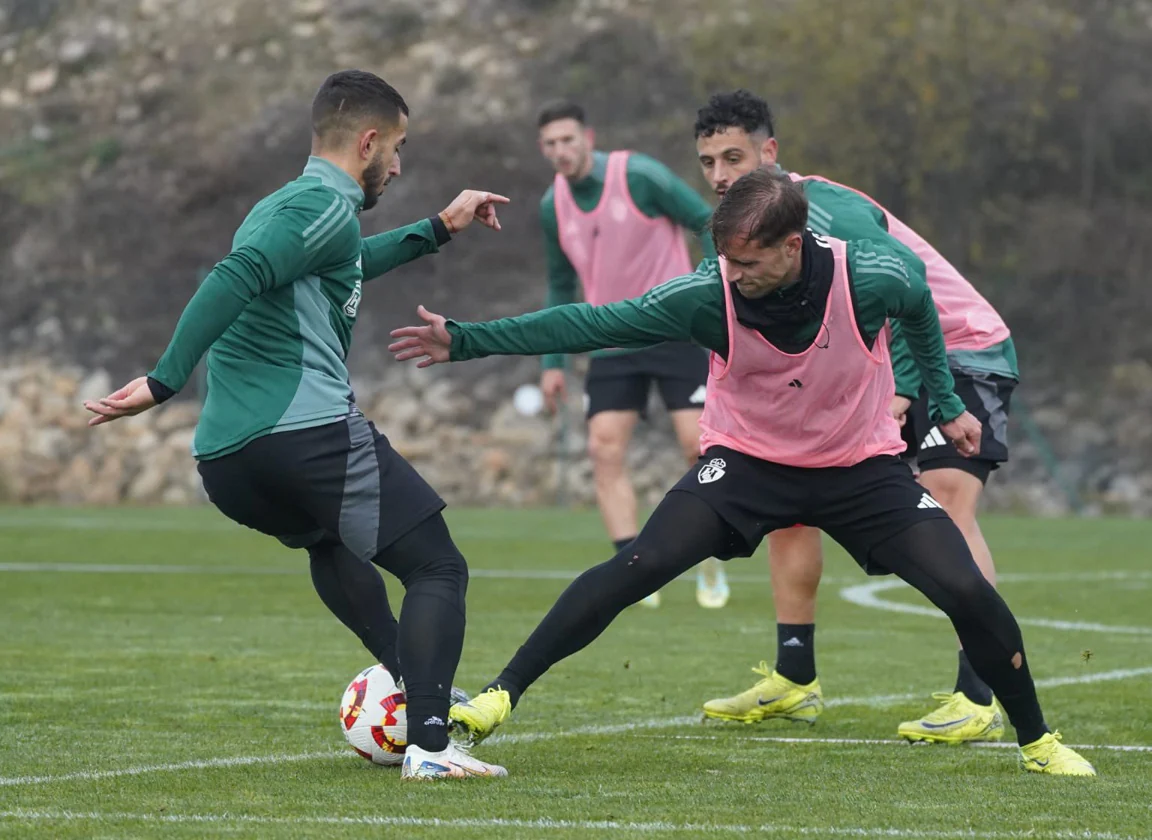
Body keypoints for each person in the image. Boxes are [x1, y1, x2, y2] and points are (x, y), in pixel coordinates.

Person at [389, 170, 1095, 776]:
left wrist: (944, 402)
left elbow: (920, 315)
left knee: (967, 589)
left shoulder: (874, 274)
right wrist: (468, 340)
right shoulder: (707, 296)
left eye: (749, 261)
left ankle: (1038, 740)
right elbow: (591, 323)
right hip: (748, 463)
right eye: (725, 259)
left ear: (793, 245)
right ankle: (499, 695)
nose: (734, 274)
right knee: (639, 562)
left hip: (860, 466)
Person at [83, 70, 509, 780]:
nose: (398, 166)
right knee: (437, 565)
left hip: (229, 461)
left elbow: (343, 263)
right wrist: (163, 380)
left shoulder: (298, 209)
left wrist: (437, 229)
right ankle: (431, 744)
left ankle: (414, 687)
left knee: (328, 544)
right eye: (397, 148)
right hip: (302, 433)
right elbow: (234, 275)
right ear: (367, 141)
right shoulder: (321, 203)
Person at [693, 90, 1023, 744]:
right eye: (707, 161)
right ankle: (795, 678)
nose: (721, 174)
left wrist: (902, 387)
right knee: (786, 492)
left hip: (960, 348)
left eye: (734, 156)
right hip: (873, 362)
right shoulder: (752, 230)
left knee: (947, 500)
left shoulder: (821, 209)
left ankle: (979, 694)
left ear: (770, 152)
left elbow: (907, 292)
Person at [534, 100, 729, 608]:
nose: (561, 151)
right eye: (551, 143)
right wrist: (552, 363)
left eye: (568, 140)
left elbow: (707, 221)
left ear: (588, 138)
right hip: (611, 337)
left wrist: (716, 292)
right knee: (604, 447)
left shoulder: (639, 176)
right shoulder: (551, 205)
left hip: (676, 331)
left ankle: (706, 558)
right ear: (543, 150)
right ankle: (631, 569)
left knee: (698, 447)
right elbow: (560, 283)